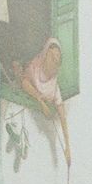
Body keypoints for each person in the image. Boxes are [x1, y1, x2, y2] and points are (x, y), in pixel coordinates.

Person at [18, 38, 72, 167]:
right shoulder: (34, 68)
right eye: (52, 56)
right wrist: (41, 101)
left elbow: (62, 117)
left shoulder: (54, 87)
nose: (55, 60)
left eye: (57, 57)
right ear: (45, 55)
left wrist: (67, 147)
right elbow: (25, 83)